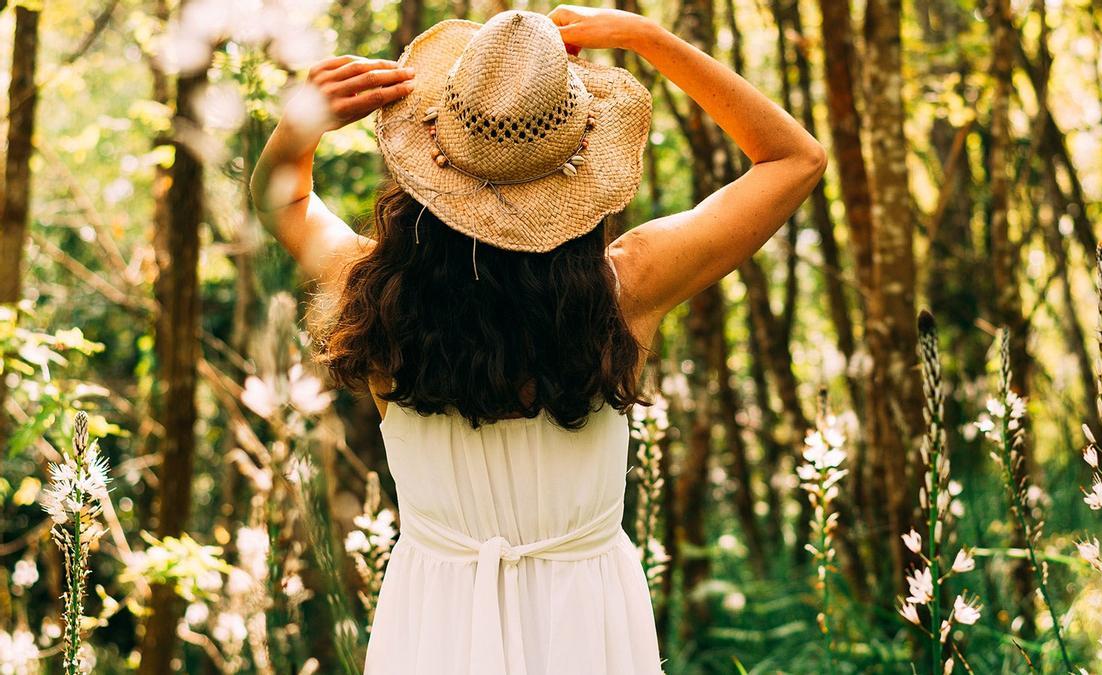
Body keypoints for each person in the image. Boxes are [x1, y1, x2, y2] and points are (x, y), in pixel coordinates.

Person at [250, 5, 825, 673]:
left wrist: (298, 127)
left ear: (432, 152)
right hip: (585, 621)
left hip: (435, 621)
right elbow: (795, 159)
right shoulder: (626, 289)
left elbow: (282, 200)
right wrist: (651, 40)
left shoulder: (379, 295)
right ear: (579, 162)